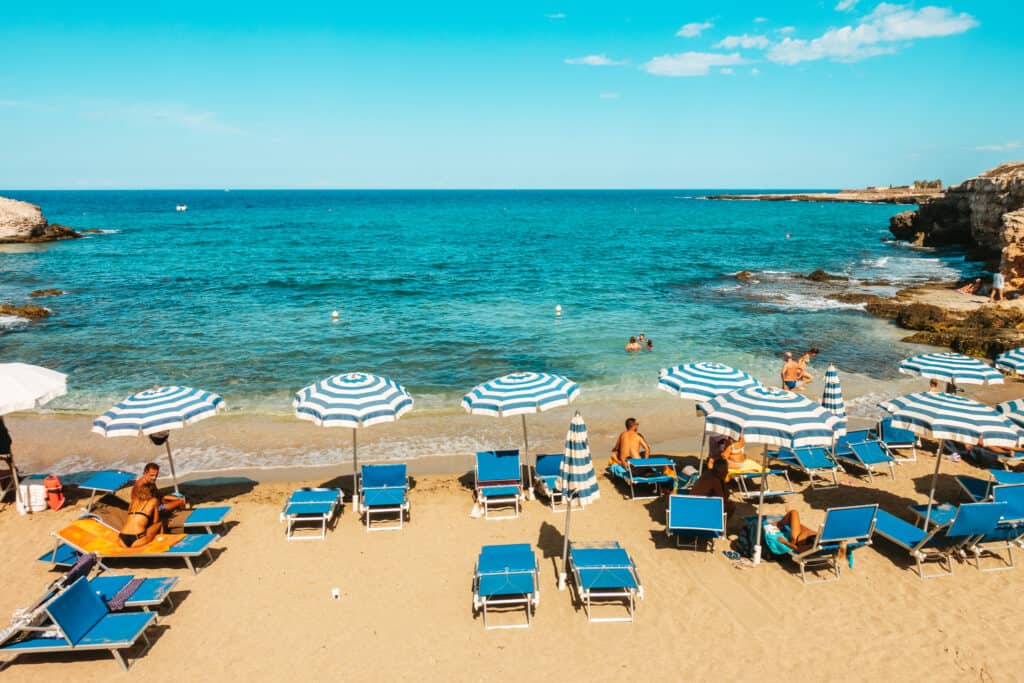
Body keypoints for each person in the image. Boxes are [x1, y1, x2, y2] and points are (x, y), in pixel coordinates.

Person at [118, 483, 162, 548]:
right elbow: (155, 521)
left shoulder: (134, 500)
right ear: (153, 492)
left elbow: (129, 514)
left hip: (122, 538)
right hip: (138, 538)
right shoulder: (154, 500)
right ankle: (162, 541)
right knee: (160, 523)